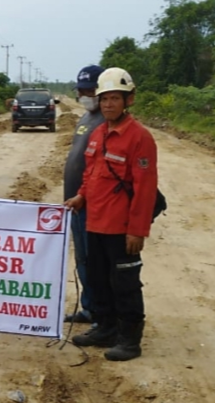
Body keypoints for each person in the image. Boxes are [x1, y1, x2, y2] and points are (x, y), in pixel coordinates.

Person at [65, 67, 158, 361]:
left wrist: (137, 230)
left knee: (126, 284)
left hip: (121, 227)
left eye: (114, 98)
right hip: (95, 221)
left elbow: (145, 188)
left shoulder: (139, 138)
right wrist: (81, 195)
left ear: (128, 100)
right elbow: (92, 173)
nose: (107, 104)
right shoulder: (98, 133)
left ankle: (129, 339)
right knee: (99, 278)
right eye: (104, 99)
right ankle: (104, 328)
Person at [63, 65, 105, 324]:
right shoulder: (85, 118)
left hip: (95, 205)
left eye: (90, 90)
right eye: (82, 91)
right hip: (76, 203)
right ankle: (90, 308)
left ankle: (104, 313)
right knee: (83, 259)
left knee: (97, 260)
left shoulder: (107, 120)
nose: (85, 95)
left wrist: (85, 194)